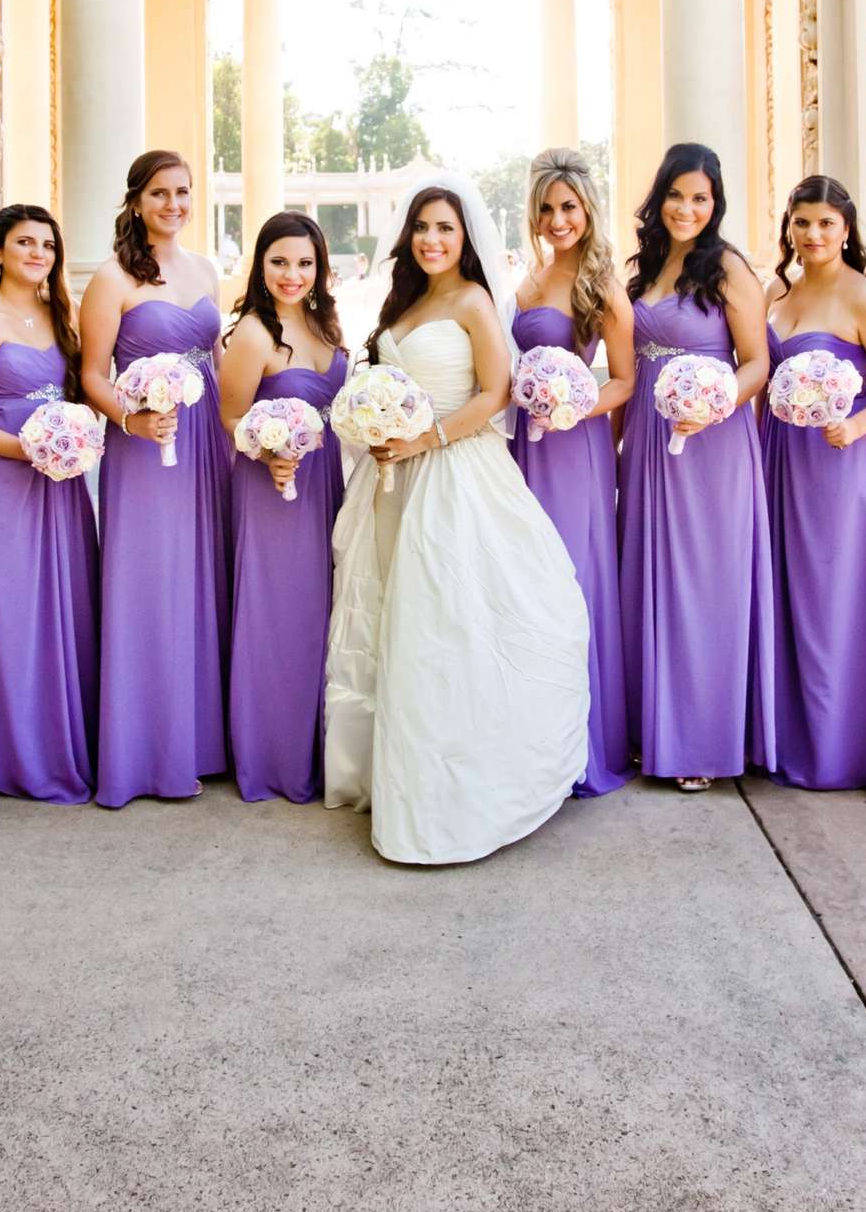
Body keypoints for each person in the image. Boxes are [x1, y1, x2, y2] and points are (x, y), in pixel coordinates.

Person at [324, 174, 590, 864]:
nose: (432, 239)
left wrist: (425, 439)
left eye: (445, 228)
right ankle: (400, 780)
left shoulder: (474, 300)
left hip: (453, 471)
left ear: (465, 236)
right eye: (422, 228)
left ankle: (457, 799)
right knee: (396, 621)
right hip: (392, 480)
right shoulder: (405, 302)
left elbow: (495, 394)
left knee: (448, 627)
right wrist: (377, 426)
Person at [619, 144, 773, 791]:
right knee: (649, 579)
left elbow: (757, 362)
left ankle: (703, 745)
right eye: (677, 195)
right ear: (659, 198)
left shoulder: (728, 267)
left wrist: (713, 405)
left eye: (700, 198)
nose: (687, 208)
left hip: (712, 446)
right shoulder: (642, 268)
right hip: (650, 443)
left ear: (716, 205)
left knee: (704, 587)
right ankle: (651, 729)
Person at [79, 151, 230, 805]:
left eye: (183, 192)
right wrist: (132, 419)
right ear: (137, 200)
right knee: (153, 584)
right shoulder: (111, 279)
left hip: (205, 446)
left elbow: (219, 359)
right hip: (146, 445)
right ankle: (146, 752)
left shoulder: (206, 270)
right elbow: (89, 375)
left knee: (202, 578)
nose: (174, 204)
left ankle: (203, 741)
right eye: (161, 193)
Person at [0, 205, 98, 811]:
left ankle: (61, 746)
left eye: (48, 246)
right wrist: (28, 450)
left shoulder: (62, 315)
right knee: (6, 616)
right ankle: (0, 755)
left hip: (60, 488)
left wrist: (71, 442)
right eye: (25, 243)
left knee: (64, 610)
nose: (38, 254)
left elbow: (80, 392)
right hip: (1, 486)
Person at [762, 176, 866, 798]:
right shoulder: (776, 290)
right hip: (776, 458)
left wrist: (858, 425)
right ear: (788, 228)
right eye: (802, 223)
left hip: (837, 464)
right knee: (783, 592)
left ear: (846, 229)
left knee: (833, 600)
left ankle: (843, 748)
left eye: (825, 223)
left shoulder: (864, 297)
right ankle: (781, 736)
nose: (813, 235)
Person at [511, 148, 633, 796]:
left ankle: (585, 748)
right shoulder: (526, 283)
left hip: (574, 448)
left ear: (588, 211)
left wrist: (573, 402)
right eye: (548, 209)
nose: (558, 220)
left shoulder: (601, 286)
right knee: (526, 582)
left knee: (572, 580)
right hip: (523, 452)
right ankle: (533, 740)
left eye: (570, 208)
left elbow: (625, 380)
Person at [217, 214, 347, 803]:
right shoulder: (252, 333)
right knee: (279, 616)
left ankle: (322, 750)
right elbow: (228, 418)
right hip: (273, 487)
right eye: (279, 262)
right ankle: (273, 756)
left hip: (327, 486)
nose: (292, 275)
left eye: (304, 263)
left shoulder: (325, 325)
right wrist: (269, 452)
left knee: (324, 611)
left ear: (320, 267)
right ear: (260, 265)